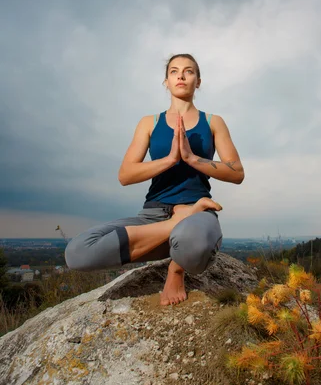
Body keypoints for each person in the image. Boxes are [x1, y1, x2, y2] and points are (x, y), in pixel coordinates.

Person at [64, 53, 245, 305]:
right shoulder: (149, 123)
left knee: (192, 242)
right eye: (174, 71)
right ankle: (174, 227)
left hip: (196, 216)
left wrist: (193, 159)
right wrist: (170, 159)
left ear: (198, 81)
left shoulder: (213, 122)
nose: (181, 75)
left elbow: (236, 172)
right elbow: (125, 175)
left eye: (188, 71)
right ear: (166, 82)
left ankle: (176, 269)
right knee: (77, 252)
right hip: (153, 216)